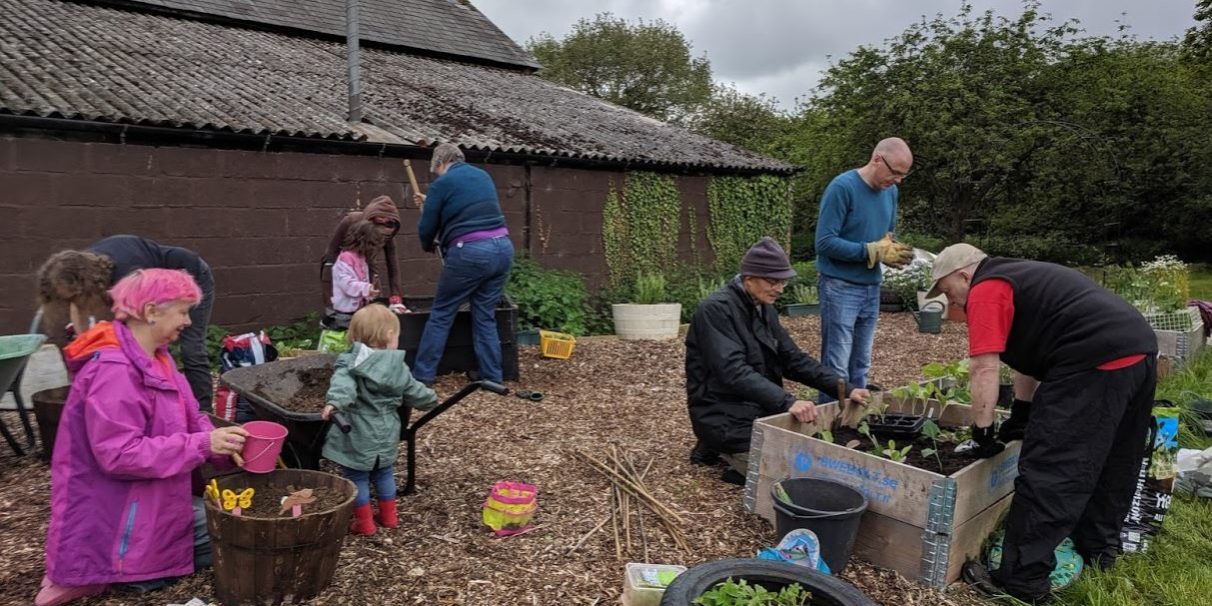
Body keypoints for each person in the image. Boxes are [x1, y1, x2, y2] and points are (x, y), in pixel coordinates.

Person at [925, 244, 1158, 603]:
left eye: (946, 290)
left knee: (1052, 468)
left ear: (964, 275)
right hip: (1136, 352)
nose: (950, 302)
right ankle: (1099, 550)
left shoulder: (987, 288)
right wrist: (1021, 414)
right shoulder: (1021, 277)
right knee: (1114, 460)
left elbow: (984, 366)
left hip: (1090, 359)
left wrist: (982, 433)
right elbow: (1028, 360)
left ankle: (1021, 580)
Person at [37, 269, 248, 606]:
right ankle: (124, 571)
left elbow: (193, 417)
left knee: (235, 520)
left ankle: (135, 566)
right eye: (182, 311)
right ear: (151, 312)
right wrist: (202, 445)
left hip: (149, 496)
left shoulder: (158, 358)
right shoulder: (115, 372)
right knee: (239, 531)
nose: (189, 321)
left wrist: (221, 445)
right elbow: (119, 454)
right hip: (122, 513)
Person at [685, 237, 871, 484]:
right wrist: (787, 402)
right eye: (773, 281)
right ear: (749, 277)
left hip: (755, 409)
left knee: (799, 454)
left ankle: (724, 450)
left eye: (782, 281)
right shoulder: (716, 310)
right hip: (721, 412)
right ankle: (723, 448)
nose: (780, 288)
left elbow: (792, 359)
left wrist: (845, 389)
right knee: (786, 473)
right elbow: (732, 371)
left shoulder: (762, 307)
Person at [37, 235, 217, 411]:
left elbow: (141, 330)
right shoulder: (82, 271)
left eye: (75, 295)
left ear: (85, 284)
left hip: (192, 276)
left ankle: (204, 411)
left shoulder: (127, 275)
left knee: (190, 349)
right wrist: (84, 349)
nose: (72, 300)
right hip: (156, 293)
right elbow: (78, 308)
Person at [320, 304, 438, 535]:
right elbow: (415, 391)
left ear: (354, 336)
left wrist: (334, 402)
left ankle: (364, 524)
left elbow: (343, 385)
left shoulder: (352, 362)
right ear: (389, 336)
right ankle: (389, 518)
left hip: (358, 429)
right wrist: (431, 400)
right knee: (384, 471)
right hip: (388, 428)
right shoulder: (398, 366)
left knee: (356, 475)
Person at [814, 138, 915, 400]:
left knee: (861, 364)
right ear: (878, 160)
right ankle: (827, 426)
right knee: (837, 366)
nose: (898, 181)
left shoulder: (890, 192)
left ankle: (854, 423)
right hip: (839, 286)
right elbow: (824, 242)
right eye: (895, 173)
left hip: (871, 286)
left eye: (903, 175)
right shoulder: (842, 187)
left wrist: (888, 249)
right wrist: (869, 251)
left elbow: (886, 235)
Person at [411, 143, 514, 386]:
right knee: (484, 315)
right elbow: (466, 207)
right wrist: (432, 200)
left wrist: (427, 244)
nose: (436, 174)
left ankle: (423, 376)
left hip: (470, 252)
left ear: (440, 163)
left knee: (442, 313)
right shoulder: (482, 175)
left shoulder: (441, 184)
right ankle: (492, 377)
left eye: (435, 170)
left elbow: (428, 226)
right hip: (502, 248)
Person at [324, 195, 409, 314]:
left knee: (372, 312)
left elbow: (393, 266)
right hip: (346, 271)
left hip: (368, 270)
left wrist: (396, 296)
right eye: (376, 237)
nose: (379, 240)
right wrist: (329, 293)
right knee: (343, 311)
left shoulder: (389, 233)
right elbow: (331, 253)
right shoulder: (351, 221)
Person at [330, 220, 385, 322]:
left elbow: (362, 280)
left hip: (359, 308)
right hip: (346, 311)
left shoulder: (361, 257)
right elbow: (347, 284)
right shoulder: (345, 258)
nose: (372, 249)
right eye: (371, 244)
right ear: (362, 241)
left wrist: (370, 292)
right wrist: (366, 288)